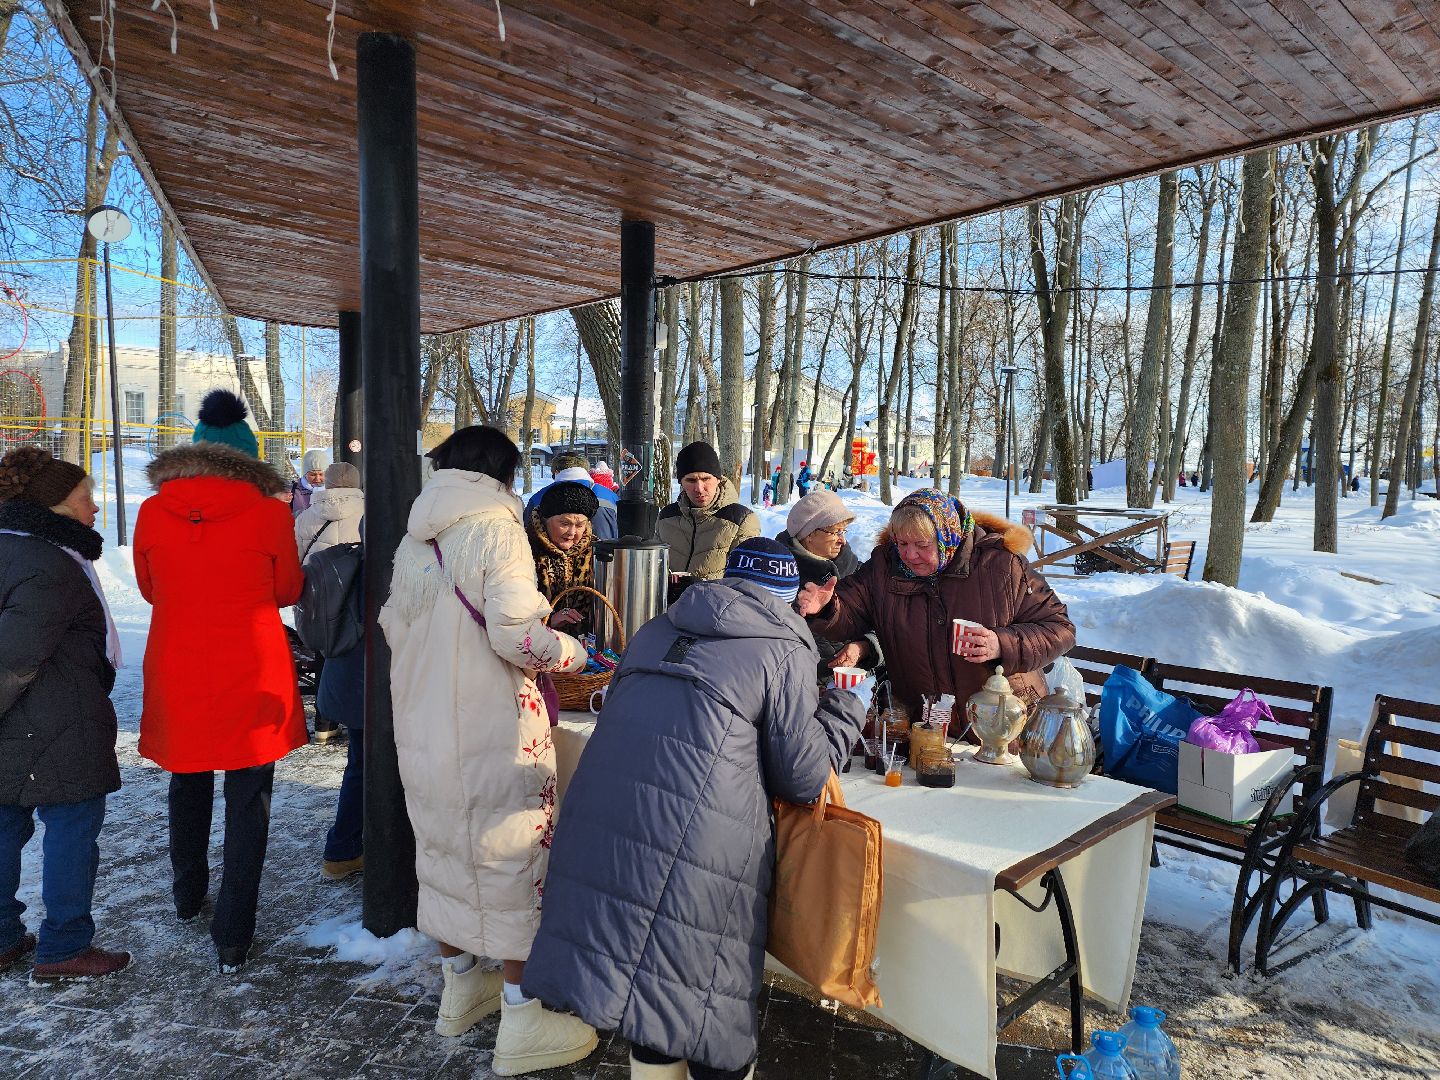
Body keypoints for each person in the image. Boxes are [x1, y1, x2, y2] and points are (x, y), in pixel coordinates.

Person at [522, 538, 865, 1080]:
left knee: (650, 999)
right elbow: (802, 777)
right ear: (786, 597)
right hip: (700, 844)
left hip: (608, 824)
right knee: (705, 1008)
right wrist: (846, 708)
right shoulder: (783, 647)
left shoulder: (657, 628)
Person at [379, 425, 596, 1075]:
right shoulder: (497, 528)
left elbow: (396, 625)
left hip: (423, 722)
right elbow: (516, 638)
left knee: (444, 856)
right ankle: (521, 1021)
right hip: (489, 728)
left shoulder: (417, 535)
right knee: (511, 862)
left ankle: (459, 989)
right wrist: (570, 652)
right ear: (502, 476)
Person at [135, 389, 306, 974]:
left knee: (186, 780)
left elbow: (149, 588)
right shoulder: (268, 512)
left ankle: (187, 895)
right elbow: (287, 591)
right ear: (249, 458)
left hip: (178, 663)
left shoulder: (153, 510)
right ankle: (233, 930)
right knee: (249, 793)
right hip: (251, 666)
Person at [0, 448, 130, 981]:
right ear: (54, 506)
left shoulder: (17, 550)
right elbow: (14, 657)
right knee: (72, 832)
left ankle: (4, 938)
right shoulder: (51, 564)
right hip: (57, 724)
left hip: (24, 725)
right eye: (85, 500)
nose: (95, 510)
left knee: (6, 829)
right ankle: (63, 948)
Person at [798, 488, 1074, 728]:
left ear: (947, 537)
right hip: (925, 725)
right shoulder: (886, 566)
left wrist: (1001, 644)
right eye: (902, 543)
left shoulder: (1001, 565)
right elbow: (850, 609)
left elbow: (1060, 628)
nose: (909, 554)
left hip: (1001, 726)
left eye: (921, 544)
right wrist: (827, 608)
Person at [295, 462, 367, 880]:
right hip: (363, 647)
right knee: (367, 760)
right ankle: (345, 848)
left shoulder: (307, 516)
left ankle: (342, 850)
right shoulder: (373, 517)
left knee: (358, 759)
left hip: (329, 622)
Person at [776, 489, 880, 685]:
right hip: (795, 687)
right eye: (835, 532)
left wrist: (865, 647)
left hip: (856, 686)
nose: (843, 540)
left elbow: (887, 627)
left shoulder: (859, 572)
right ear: (808, 535)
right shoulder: (779, 575)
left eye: (843, 531)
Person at [294, 460, 365, 747]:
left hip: (319, 594)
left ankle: (323, 724)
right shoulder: (368, 510)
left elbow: (298, 556)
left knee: (324, 652)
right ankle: (356, 717)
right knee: (353, 655)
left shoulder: (307, 515)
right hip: (356, 594)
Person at [657, 441, 759, 601]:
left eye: (706, 479)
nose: (699, 488)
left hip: (716, 616)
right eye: (691, 480)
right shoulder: (667, 517)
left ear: (718, 479)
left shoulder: (741, 520)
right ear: (681, 483)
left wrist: (700, 586)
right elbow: (655, 568)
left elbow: (747, 586)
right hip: (670, 613)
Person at [526, 480, 600, 639]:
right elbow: (511, 612)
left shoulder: (595, 552)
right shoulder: (525, 549)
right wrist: (548, 620)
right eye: (564, 523)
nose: (572, 532)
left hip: (583, 651)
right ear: (545, 520)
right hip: (536, 649)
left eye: (580, 525)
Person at [527, 451, 618, 541]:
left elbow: (527, 533)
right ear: (585, 470)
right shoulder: (610, 496)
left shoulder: (539, 498)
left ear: (556, 472)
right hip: (608, 553)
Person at [288, 448, 329, 517]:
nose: (317, 478)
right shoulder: (293, 491)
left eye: (321, 474)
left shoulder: (333, 490)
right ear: (305, 474)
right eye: (312, 475)